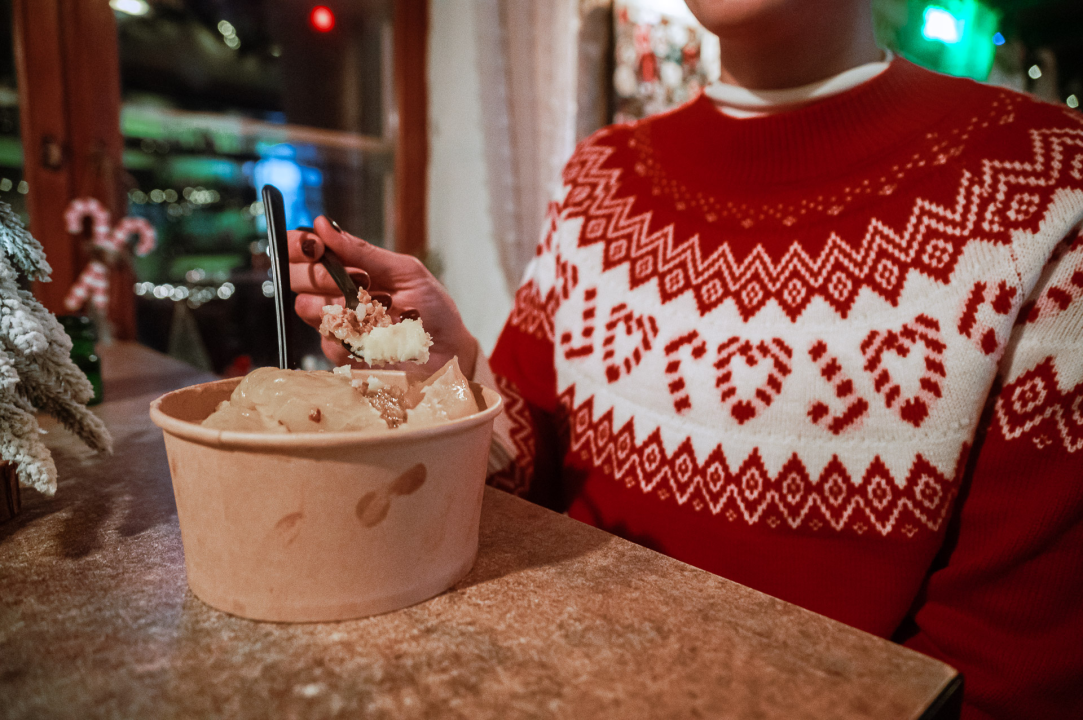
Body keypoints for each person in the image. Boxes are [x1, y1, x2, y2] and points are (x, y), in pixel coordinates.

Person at [288, 2, 1083, 717]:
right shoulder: (598, 180)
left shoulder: (1046, 185)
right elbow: (526, 467)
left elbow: (1007, 675)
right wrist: (445, 378)